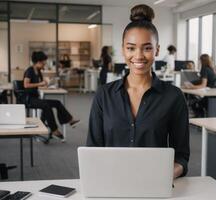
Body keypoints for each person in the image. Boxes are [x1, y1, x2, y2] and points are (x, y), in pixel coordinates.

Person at [87, 4, 190, 178]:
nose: (139, 55)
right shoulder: (104, 95)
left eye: (147, 48)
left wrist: (165, 175)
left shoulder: (173, 97)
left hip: (154, 184)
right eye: (131, 47)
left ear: (157, 50)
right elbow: (92, 150)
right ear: (123, 49)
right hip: (111, 182)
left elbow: (181, 157)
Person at [23, 51, 80, 140]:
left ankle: (70, 120)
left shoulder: (38, 71)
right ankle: (54, 130)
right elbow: (26, 85)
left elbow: (39, 84)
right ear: (38, 62)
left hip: (36, 97)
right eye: (44, 63)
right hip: (29, 99)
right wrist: (40, 83)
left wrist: (46, 85)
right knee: (46, 106)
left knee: (57, 103)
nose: (44, 65)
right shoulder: (30, 70)